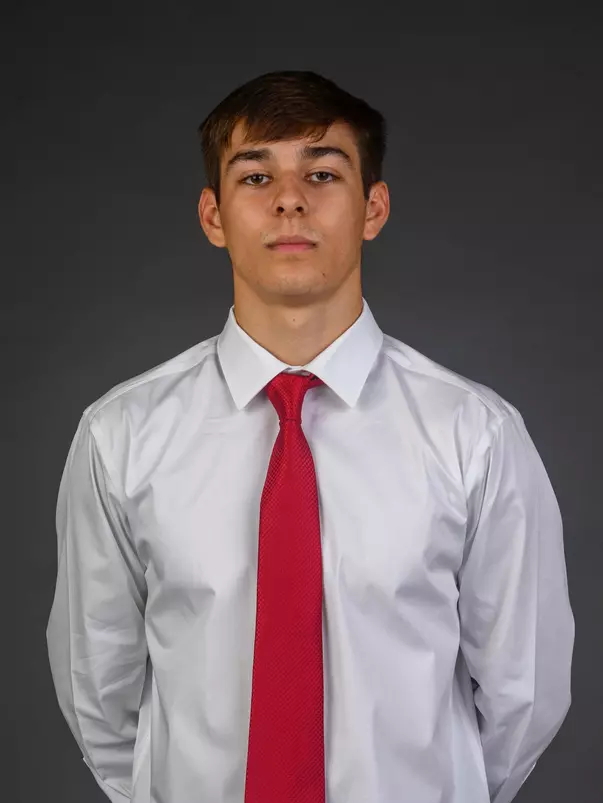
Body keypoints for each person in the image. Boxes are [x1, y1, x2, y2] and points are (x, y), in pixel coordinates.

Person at [46, 70, 574, 803]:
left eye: (322, 172)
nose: (289, 198)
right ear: (212, 215)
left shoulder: (475, 435)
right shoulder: (120, 436)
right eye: (255, 174)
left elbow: (525, 691)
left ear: (372, 207)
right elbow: (96, 690)